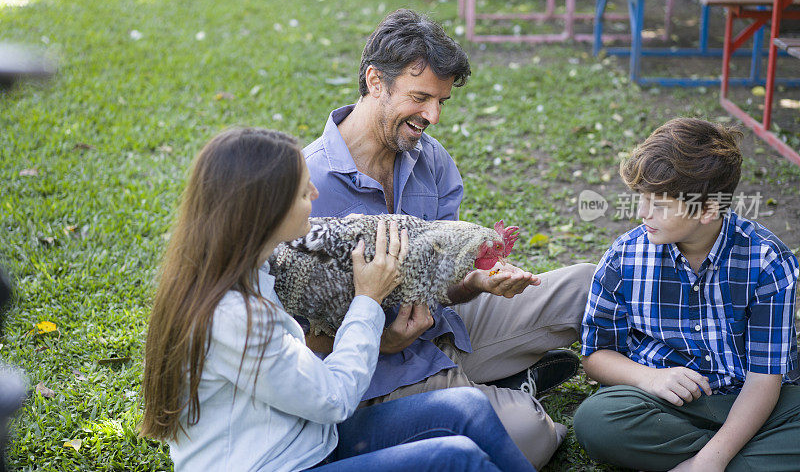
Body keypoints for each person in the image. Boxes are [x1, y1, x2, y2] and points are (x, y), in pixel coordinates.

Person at [139, 127, 536, 472]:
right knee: (455, 457)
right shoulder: (231, 314)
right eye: (301, 191)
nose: (315, 191)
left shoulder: (251, 275)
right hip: (280, 464)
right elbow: (333, 398)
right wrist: (367, 299)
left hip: (309, 441)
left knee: (466, 406)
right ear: (265, 211)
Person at [303, 8, 595, 469]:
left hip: (443, 326)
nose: (433, 115)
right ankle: (513, 388)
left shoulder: (427, 157)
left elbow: (442, 281)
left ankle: (650, 384)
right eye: (421, 97)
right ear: (375, 81)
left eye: (441, 101)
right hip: (381, 372)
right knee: (528, 434)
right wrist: (381, 341)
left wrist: (478, 282)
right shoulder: (305, 185)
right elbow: (290, 342)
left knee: (587, 283)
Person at [573, 118, 800, 471]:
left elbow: (764, 380)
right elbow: (596, 355)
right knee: (595, 419)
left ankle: (701, 461)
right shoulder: (624, 257)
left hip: (756, 400)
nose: (642, 214)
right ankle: (736, 459)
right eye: (642, 199)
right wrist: (650, 378)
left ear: (709, 209)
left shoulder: (769, 261)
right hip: (665, 403)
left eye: (659, 205)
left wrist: (709, 459)